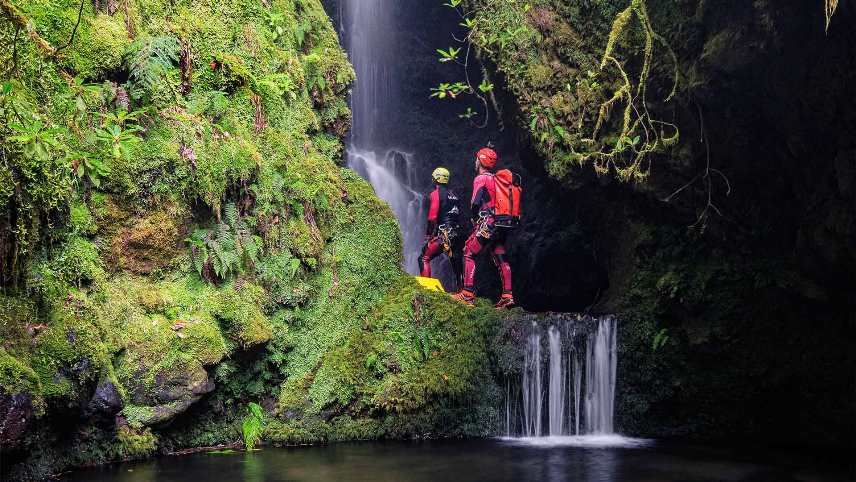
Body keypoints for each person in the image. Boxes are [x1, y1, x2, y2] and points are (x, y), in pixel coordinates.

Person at [452, 147, 515, 308]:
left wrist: (474, 218)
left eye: (476, 159)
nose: (475, 161)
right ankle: (508, 296)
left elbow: (475, 202)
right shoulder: (498, 180)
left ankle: (467, 294)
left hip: (489, 222)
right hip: (502, 224)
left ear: (480, 160)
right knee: (500, 255)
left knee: (468, 252)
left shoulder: (481, 179)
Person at [419, 167, 463, 289]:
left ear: (436, 179)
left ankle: (426, 289)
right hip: (457, 233)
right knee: (456, 261)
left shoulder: (435, 194)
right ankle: (462, 291)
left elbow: (432, 217)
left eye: (433, 177)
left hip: (444, 234)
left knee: (423, 257)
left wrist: (429, 235)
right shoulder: (454, 195)